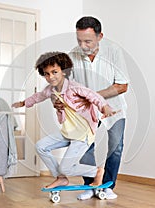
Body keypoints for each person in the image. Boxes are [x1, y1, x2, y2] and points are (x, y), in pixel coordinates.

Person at [12, 51, 118, 189]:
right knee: (41, 146)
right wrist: (23, 103)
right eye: (47, 74)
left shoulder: (74, 87)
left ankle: (96, 171)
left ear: (64, 71)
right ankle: (61, 179)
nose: (51, 77)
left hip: (82, 134)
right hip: (68, 132)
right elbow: (38, 96)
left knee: (66, 168)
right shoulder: (50, 90)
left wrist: (105, 107)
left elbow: (93, 96)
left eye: (54, 72)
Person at [55, 16, 129, 200]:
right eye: (79, 40)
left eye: (88, 40)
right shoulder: (72, 55)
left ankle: (108, 186)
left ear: (100, 36)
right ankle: (89, 185)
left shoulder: (114, 52)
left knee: (116, 147)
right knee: (85, 146)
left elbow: (122, 85)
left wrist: (93, 97)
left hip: (114, 108)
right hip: (86, 111)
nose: (83, 45)